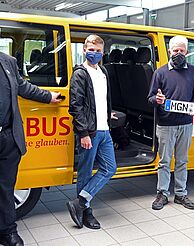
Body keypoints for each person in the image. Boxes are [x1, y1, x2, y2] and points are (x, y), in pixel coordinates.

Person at [0, 52, 61, 246]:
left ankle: (7, 231)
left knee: (6, 187)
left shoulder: (7, 61)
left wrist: (48, 96)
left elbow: (23, 87)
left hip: (8, 136)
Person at [67, 34, 117, 229]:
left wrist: (107, 113)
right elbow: (76, 106)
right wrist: (83, 133)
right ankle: (86, 212)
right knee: (85, 173)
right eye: (91, 50)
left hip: (104, 129)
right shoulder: (80, 73)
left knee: (109, 168)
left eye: (98, 51)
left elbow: (101, 99)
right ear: (84, 50)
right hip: (90, 132)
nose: (94, 53)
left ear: (102, 52)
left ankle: (79, 202)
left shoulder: (103, 71)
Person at [148, 35, 194, 210]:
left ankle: (180, 194)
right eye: (175, 50)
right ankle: (162, 194)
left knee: (182, 161)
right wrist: (157, 99)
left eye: (182, 50)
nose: (178, 53)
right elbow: (149, 98)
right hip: (165, 124)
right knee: (164, 161)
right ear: (169, 51)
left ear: (186, 51)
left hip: (186, 123)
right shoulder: (160, 72)